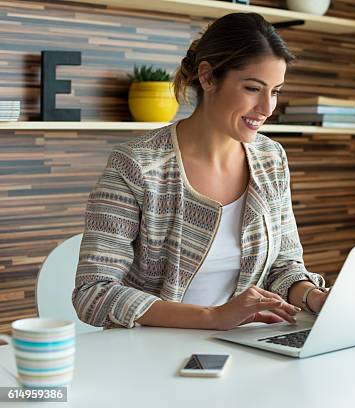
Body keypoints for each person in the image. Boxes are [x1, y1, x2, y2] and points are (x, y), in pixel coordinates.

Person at [72, 12, 329, 330]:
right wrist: (214, 317)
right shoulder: (137, 166)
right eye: (253, 88)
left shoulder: (270, 159)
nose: (267, 108)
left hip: (245, 347)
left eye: (275, 91)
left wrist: (314, 297)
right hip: (151, 353)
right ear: (207, 77)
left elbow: (284, 266)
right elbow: (93, 293)